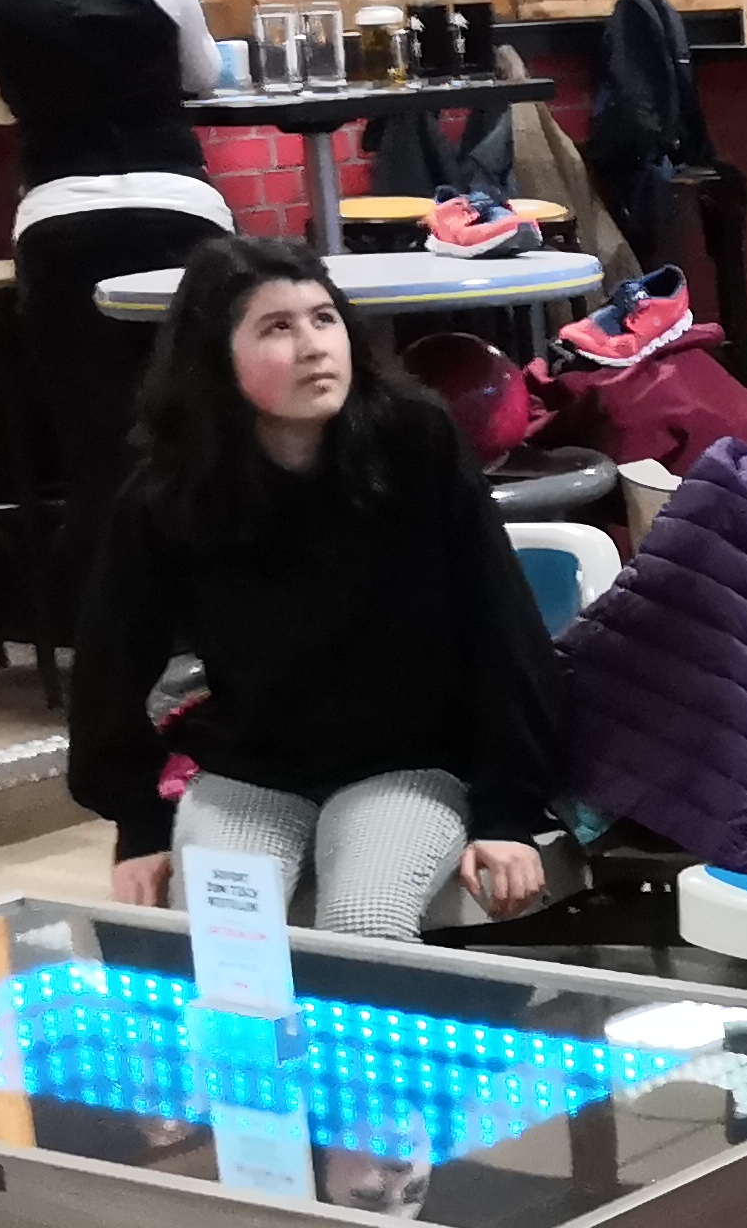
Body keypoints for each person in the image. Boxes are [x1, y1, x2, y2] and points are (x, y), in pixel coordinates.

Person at [68, 235, 567, 936]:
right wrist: (141, 825)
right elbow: (109, 670)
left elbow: (503, 625)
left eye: (324, 319)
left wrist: (508, 812)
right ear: (215, 357)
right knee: (227, 944)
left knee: (363, 923)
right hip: (252, 770)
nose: (313, 347)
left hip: (408, 764)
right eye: (277, 327)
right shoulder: (170, 491)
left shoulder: (416, 441)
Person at [0, 0, 227, 619]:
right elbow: (202, 74)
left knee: (96, 441)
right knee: (203, 422)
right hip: (179, 215)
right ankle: (220, 615)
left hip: (60, 229)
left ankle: (121, 633)